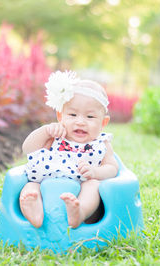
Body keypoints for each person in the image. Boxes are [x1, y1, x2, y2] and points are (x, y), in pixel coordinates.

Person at [19, 70, 119, 229]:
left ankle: (80, 211)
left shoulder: (101, 143)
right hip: (47, 179)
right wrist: (45, 131)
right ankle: (34, 210)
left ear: (103, 123)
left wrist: (95, 172)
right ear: (60, 116)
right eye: (72, 115)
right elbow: (27, 149)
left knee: (93, 186)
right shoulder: (56, 135)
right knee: (31, 186)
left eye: (90, 117)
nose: (80, 122)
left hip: (82, 181)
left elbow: (112, 168)